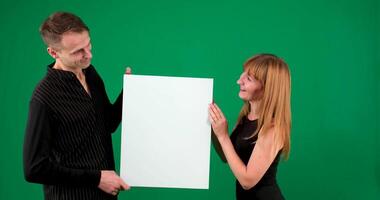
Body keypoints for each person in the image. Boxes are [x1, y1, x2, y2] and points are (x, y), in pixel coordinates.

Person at [23, 12, 130, 200]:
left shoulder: (89, 72)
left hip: (105, 195)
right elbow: (34, 169)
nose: (88, 54)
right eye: (77, 51)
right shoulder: (44, 98)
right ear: (53, 52)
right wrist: (96, 178)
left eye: (88, 44)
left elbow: (108, 123)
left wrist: (129, 92)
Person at [209, 53, 291, 200]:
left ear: (267, 88)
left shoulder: (273, 128)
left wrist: (223, 135)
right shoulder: (245, 118)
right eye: (243, 75)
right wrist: (213, 127)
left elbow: (247, 181)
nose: (239, 81)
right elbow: (225, 155)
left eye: (249, 79)